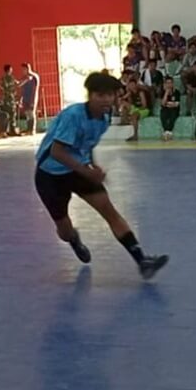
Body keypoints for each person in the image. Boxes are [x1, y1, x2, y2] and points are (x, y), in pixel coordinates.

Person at [34, 72, 169, 280]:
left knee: (110, 211)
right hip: (50, 175)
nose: (107, 99)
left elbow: (86, 146)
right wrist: (87, 171)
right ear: (90, 95)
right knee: (64, 229)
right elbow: (57, 152)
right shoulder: (73, 116)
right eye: (101, 95)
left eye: (111, 95)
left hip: (78, 170)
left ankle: (142, 261)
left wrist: (93, 167)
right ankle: (74, 240)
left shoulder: (104, 119)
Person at [123, 73, 151, 142]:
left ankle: (135, 135)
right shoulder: (130, 92)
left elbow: (144, 105)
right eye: (130, 85)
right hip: (136, 108)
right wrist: (128, 94)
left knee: (134, 115)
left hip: (144, 109)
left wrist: (136, 110)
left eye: (133, 85)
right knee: (123, 104)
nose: (132, 86)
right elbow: (123, 99)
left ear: (136, 85)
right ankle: (125, 121)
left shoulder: (140, 92)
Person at [19, 63, 41, 135]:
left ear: (27, 69)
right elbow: (22, 89)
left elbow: (34, 89)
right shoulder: (24, 78)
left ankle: (32, 130)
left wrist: (33, 100)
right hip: (25, 98)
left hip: (31, 98)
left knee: (31, 114)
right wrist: (21, 99)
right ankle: (28, 129)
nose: (22, 71)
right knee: (27, 114)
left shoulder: (34, 77)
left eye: (23, 69)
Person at [159, 77, 181, 141]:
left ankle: (169, 131)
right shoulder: (162, 92)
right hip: (165, 109)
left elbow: (176, 104)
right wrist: (166, 93)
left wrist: (168, 104)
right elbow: (163, 103)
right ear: (165, 84)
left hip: (174, 109)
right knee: (163, 114)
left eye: (170, 83)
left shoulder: (177, 92)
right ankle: (166, 131)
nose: (169, 85)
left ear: (173, 84)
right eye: (167, 83)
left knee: (173, 114)